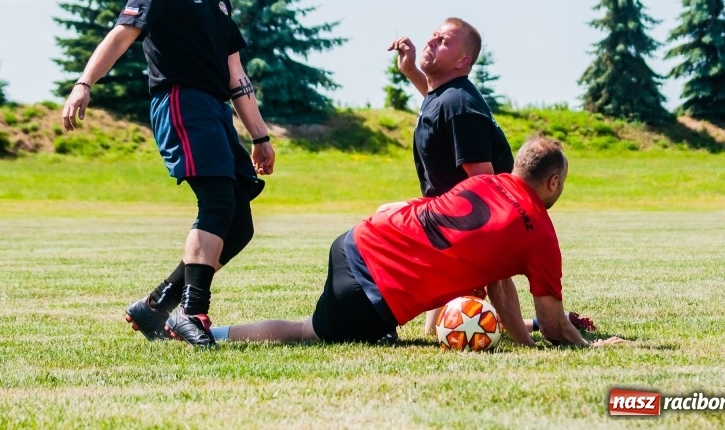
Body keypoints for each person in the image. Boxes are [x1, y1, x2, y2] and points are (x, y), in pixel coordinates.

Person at [61, 0, 274, 348]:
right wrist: (85, 82)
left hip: (216, 111)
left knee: (240, 226)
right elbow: (120, 36)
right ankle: (191, 312)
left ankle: (157, 305)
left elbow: (237, 75)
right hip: (180, 102)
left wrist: (259, 135)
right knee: (217, 201)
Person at [210, 137, 623, 348]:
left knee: (354, 329)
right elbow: (555, 325)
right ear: (553, 182)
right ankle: (212, 335)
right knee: (306, 331)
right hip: (371, 287)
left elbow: (499, 283)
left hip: (360, 235)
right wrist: (592, 345)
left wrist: (524, 339)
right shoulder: (540, 235)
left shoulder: (485, 181)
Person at [387, 18, 515, 334]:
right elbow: (436, 104)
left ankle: (527, 328)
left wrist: (476, 260)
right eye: (433, 35)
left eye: (443, 41)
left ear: (463, 61)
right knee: (438, 331)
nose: (431, 41)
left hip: (466, 226)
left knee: (459, 323)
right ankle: (532, 324)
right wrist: (410, 71)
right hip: (448, 224)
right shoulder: (448, 95)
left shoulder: (460, 104)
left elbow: (485, 187)